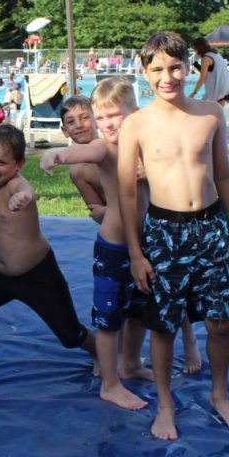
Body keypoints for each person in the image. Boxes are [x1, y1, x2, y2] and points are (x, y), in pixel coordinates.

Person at [118, 32, 229, 440]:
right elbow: (126, 192)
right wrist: (136, 253)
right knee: (163, 325)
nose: (167, 77)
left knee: (220, 322)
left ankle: (220, 395)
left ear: (189, 67)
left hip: (210, 228)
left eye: (175, 67)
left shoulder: (210, 113)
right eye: (157, 69)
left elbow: (225, 176)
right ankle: (165, 402)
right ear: (144, 74)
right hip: (164, 230)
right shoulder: (136, 124)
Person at [0, 125, 97, 397]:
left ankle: (103, 356)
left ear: (19, 164)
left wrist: (23, 196)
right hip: (1, 276)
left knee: (71, 334)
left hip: (38, 274)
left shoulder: (16, 184)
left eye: (2, 162)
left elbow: (25, 188)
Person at [40, 78, 151, 410]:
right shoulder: (106, 149)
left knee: (138, 312)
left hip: (143, 245)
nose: (108, 125)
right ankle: (110, 383)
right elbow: (83, 151)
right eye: (101, 119)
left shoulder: (144, 148)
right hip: (115, 247)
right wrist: (57, 154)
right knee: (109, 318)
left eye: (115, 116)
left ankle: (129, 363)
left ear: (136, 113)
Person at [190, 38, 229, 105]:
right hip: (226, 88)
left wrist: (194, 93)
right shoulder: (216, 54)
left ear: (198, 48)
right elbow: (211, 71)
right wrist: (197, 66)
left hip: (217, 90)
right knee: (216, 113)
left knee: (203, 110)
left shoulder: (206, 58)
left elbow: (202, 79)